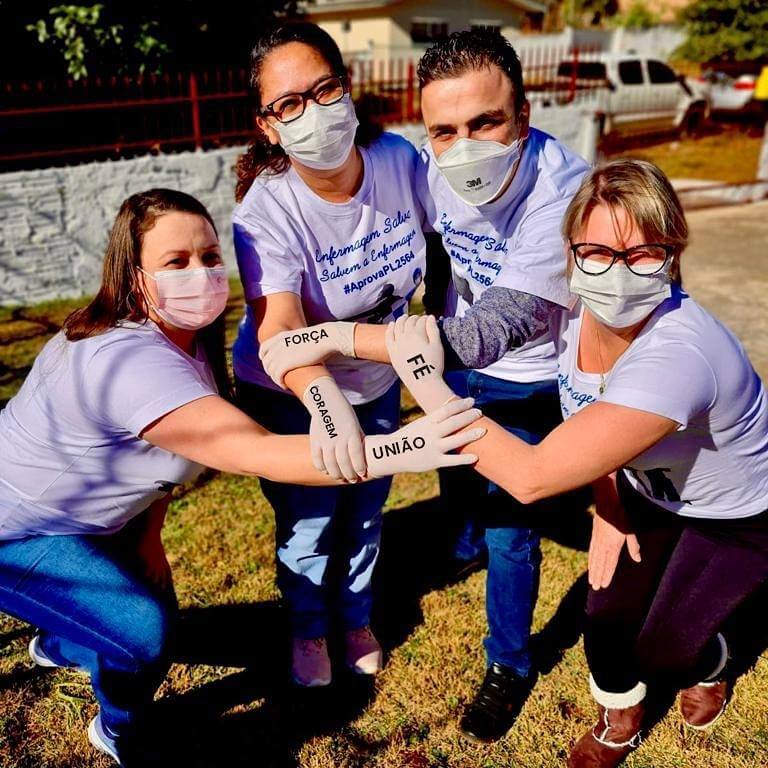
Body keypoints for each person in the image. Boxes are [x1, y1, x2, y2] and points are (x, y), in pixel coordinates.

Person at [0, 188, 484, 767]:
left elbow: (156, 458)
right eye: (175, 262)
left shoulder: (183, 341)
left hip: (90, 517)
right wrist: (408, 447)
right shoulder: (125, 360)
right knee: (145, 631)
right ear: (133, 276)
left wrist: (150, 533)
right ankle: (121, 729)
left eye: (209, 257)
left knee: (141, 614)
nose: (201, 273)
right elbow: (255, 450)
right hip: (19, 528)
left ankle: (58, 639)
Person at [258, 27, 591, 741]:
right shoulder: (421, 163)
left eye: (486, 122)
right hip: (436, 366)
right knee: (451, 491)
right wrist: (419, 326)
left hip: (529, 374)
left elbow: (495, 326)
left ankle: (508, 663)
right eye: (445, 129)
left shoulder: (565, 191)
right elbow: (438, 246)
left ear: (525, 117)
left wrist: (349, 338)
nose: (465, 145)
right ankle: (452, 545)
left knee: (512, 529)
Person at [382, 159, 768, 767]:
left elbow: (530, 476)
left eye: (643, 252)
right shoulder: (571, 308)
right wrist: (609, 504)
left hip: (735, 515)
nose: (616, 272)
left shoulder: (680, 354)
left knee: (668, 649)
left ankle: (715, 655)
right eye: (595, 251)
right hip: (646, 486)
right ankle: (620, 716)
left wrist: (427, 383)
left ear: (674, 252)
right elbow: (596, 420)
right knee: (606, 618)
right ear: (570, 254)